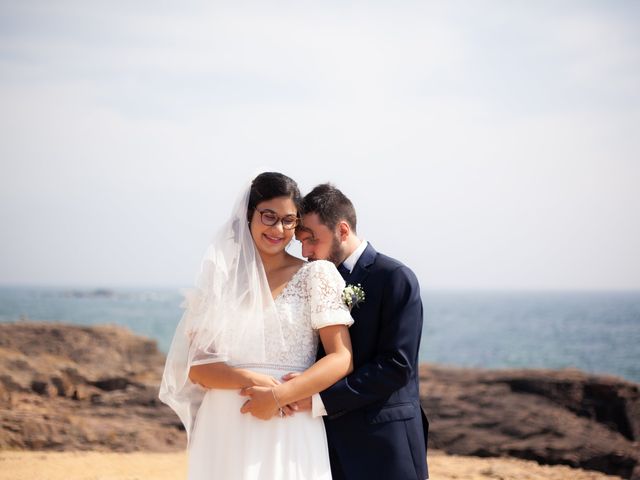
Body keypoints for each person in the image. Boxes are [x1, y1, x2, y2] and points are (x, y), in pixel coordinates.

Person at [159, 172, 354, 480]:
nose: (279, 229)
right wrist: (250, 377)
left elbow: (341, 357)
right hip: (224, 425)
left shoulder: (316, 275)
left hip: (288, 421)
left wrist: (280, 396)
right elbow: (197, 367)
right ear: (249, 216)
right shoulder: (220, 283)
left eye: (289, 220)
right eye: (269, 216)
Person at [295, 183, 429, 480]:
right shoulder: (308, 281)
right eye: (301, 242)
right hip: (323, 448)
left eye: (312, 239)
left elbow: (396, 365)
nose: (306, 252)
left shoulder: (395, 277)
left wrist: (319, 400)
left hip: (384, 445)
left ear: (342, 230)